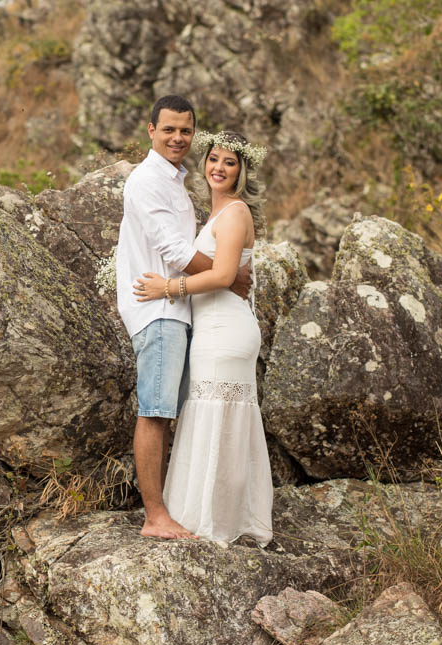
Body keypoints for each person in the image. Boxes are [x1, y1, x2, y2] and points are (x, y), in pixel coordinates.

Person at [115, 96, 252, 539]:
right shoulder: (146, 181)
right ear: (150, 130)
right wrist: (226, 279)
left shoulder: (176, 182)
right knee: (155, 410)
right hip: (158, 308)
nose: (178, 138)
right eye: (169, 129)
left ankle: (185, 506)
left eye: (185, 131)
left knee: (172, 409)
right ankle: (155, 517)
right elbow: (174, 253)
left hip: (178, 309)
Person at [132, 129, 274, 547]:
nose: (219, 168)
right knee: (212, 418)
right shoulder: (214, 214)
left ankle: (216, 521)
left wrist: (167, 289)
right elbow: (221, 269)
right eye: (214, 159)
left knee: (219, 418)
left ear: (241, 170)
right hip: (211, 327)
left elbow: (224, 276)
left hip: (226, 330)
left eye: (229, 162)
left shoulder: (235, 213)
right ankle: (209, 515)